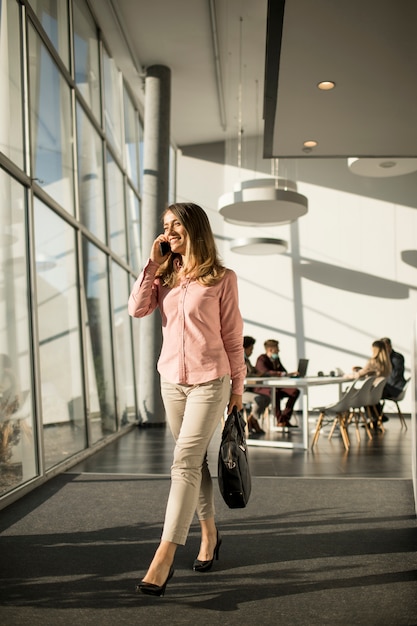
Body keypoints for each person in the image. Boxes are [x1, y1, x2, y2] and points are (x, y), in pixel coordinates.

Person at [128, 202, 246, 597]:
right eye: (165, 226)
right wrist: (151, 265)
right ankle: (210, 534)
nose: (169, 230)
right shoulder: (165, 275)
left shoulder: (222, 278)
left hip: (211, 381)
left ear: (194, 227)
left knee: (183, 463)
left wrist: (238, 389)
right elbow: (137, 309)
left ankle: (163, 556)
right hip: (171, 383)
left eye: (176, 223)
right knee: (194, 464)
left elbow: (232, 337)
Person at [254, 339, 300, 428]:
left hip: (276, 387)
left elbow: (283, 371)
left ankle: (284, 419)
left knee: (295, 391)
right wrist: (280, 373)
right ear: (270, 349)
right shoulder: (261, 359)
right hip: (263, 388)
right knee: (275, 393)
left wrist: (289, 374)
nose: (279, 350)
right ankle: (280, 421)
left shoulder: (276, 359)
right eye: (277, 348)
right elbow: (265, 372)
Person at [242, 336, 268, 435]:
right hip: (240, 392)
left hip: (248, 390)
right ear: (244, 348)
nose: (252, 352)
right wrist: (256, 375)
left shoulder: (246, 359)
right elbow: (244, 374)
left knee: (267, 398)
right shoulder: (239, 360)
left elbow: (252, 370)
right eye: (251, 349)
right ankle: (253, 421)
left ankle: (251, 419)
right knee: (260, 399)